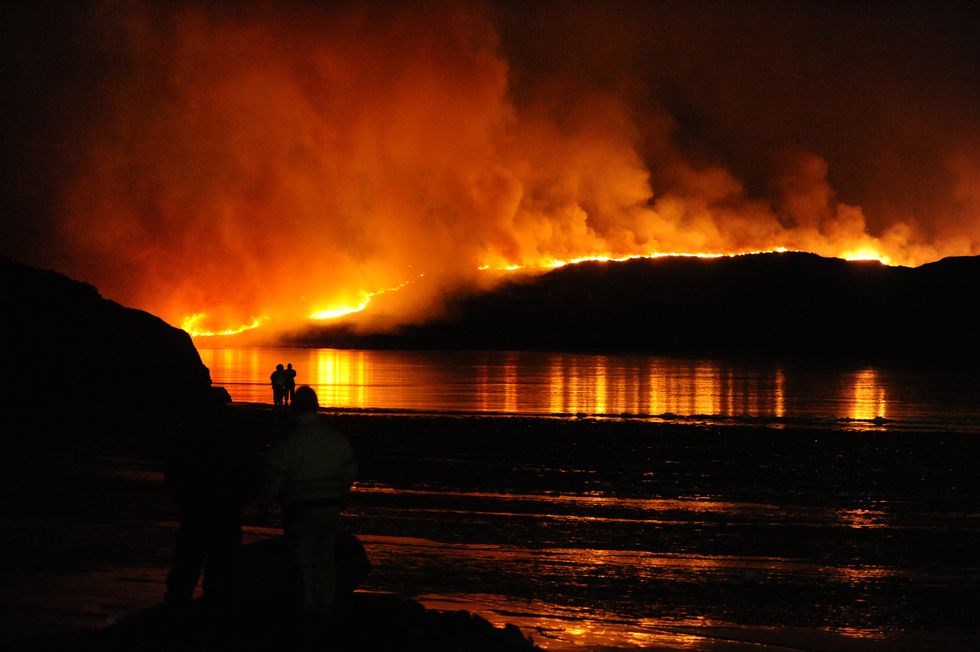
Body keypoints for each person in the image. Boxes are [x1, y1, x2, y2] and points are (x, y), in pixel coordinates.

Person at [261, 385, 358, 620]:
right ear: (316, 407)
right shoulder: (334, 437)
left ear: (295, 408)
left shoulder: (289, 440)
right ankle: (326, 603)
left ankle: (307, 601)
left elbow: (275, 475)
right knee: (326, 556)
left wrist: (265, 502)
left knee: (303, 556)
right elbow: (350, 470)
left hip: (300, 508)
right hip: (329, 506)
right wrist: (341, 493)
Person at [164, 393, 258, 614]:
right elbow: (250, 471)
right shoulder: (236, 438)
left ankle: (175, 612)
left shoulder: (190, 434)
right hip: (224, 511)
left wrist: (183, 500)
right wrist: (242, 499)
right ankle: (213, 611)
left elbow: (174, 471)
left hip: (197, 510)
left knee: (187, 565)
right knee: (219, 568)